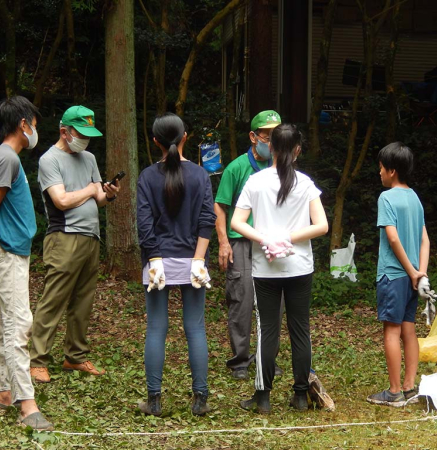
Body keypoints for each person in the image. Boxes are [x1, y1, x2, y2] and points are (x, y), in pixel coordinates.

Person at [231, 124, 328, 413]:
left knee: (267, 330)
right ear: (298, 149)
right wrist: (288, 239)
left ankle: (262, 397)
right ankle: (300, 396)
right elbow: (321, 226)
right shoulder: (306, 183)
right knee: (300, 329)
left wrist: (268, 239)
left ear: (270, 147)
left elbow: (236, 222)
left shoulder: (256, 182)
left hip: (265, 268)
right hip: (300, 266)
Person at [0, 95, 53, 431]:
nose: (36, 130)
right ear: (23, 124)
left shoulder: (2, 157)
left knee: (2, 323)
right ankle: (27, 405)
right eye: (34, 124)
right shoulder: (8, 159)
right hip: (7, 251)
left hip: (7, 249)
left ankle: (2, 394)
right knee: (19, 324)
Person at [29, 105, 119, 383]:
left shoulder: (89, 157)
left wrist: (109, 194)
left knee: (83, 302)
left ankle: (75, 357)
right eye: (80, 134)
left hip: (91, 238)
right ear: (64, 132)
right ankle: (37, 360)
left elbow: (98, 199)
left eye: (89, 135)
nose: (85, 140)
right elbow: (62, 201)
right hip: (63, 238)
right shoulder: (49, 160)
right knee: (53, 300)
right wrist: (93, 189)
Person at [136, 113, 216, 417]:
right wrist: (198, 260)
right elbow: (207, 219)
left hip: (158, 263)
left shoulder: (147, 176)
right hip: (192, 259)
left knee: (156, 327)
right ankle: (200, 400)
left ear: (156, 141)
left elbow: (144, 224)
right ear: (185, 137)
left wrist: (155, 259)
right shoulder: (199, 175)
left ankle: (154, 401)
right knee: (195, 328)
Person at [214, 110, 283, 380]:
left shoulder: (281, 167)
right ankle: (240, 361)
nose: (273, 142)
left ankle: (267, 359)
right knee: (240, 300)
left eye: (277, 136)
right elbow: (220, 206)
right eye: (268, 136)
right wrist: (223, 242)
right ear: (254, 137)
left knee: (274, 303)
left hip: (272, 244)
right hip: (241, 242)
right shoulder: (236, 168)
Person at [366, 142, 431, 407]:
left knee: (391, 332)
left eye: (381, 169)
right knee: (409, 330)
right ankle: (409, 387)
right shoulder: (414, 197)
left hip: (393, 275)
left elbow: (392, 238)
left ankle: (393, 393)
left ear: (391, 171)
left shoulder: (387, 198)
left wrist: (411, 271)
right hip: (412, 278)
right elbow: (425, 239)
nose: (379, 173)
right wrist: (420, 273)